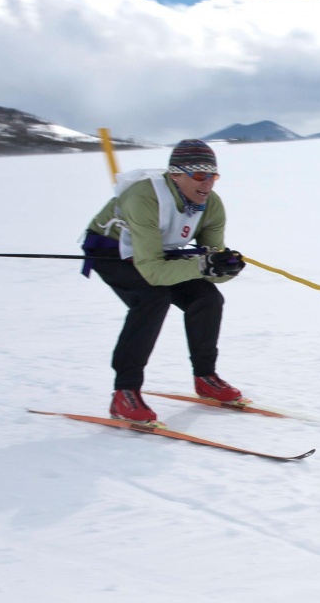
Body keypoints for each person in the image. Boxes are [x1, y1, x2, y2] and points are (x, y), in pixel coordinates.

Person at [79, 139, 247, 424]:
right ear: (175, 174)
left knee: (207, 298)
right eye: (199, 175)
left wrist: (225, 267)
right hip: (112, 251)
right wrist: (203, 265)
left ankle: (205, 377)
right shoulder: (143, 197)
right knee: (152, 297)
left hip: (156, 252)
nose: (207, 183)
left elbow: (209, 265)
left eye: (213, 176)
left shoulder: (212, 205)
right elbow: (154, 273)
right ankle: (124, 392)